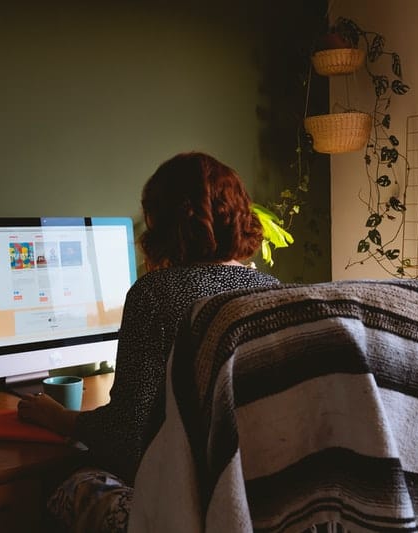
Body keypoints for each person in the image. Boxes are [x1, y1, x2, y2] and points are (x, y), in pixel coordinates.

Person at [17, 152, 280, 490]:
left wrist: (60, 418)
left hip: (184, 500)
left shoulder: (154, 294)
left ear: (163, 222)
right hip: (253, 495)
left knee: (70, 484)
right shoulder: (270, 290)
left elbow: (127, 437)